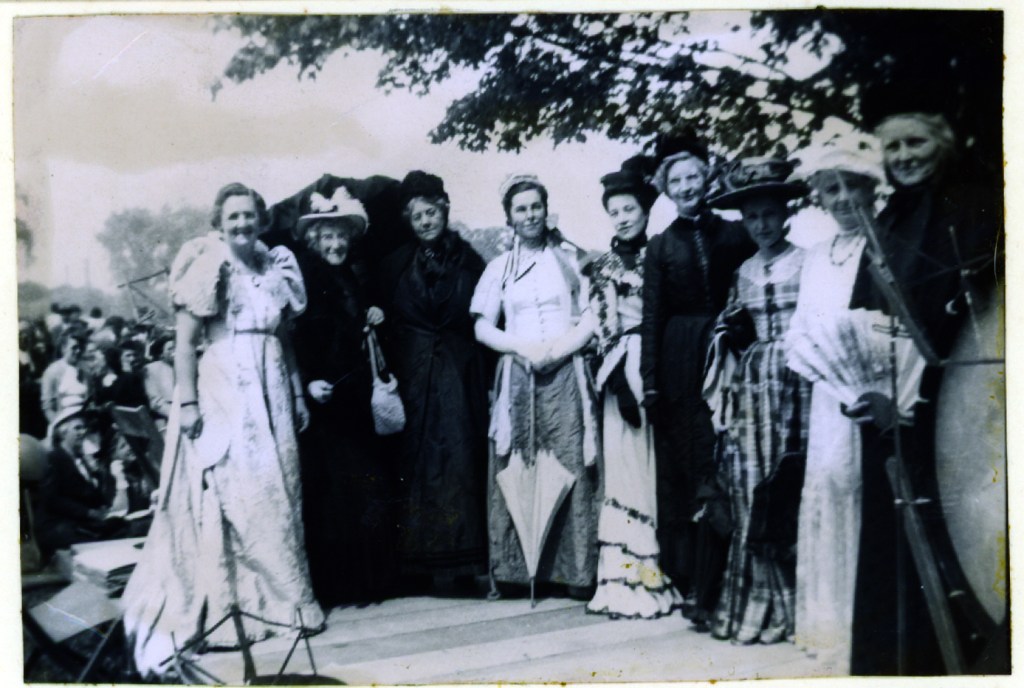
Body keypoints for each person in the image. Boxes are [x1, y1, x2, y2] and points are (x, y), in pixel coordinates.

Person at [122, 183, 323, 680]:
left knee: (282, 489)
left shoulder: (274, 264)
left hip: (272, 383)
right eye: (232, 217)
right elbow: (186, 344)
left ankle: (284, 600)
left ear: (261, 219)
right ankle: (248, 606)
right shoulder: (206, 263)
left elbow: (285, 338)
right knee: (242, 493)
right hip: (226, 386)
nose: (242, 225)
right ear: (219, 221)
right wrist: (187, 402)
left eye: (249, 216)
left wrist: (296, 393)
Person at [843, 76, 1003, 675]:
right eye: (893, 147)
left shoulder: (981, 206)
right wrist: (864, 391)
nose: (904, 157)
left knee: (968, 549)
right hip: (893, 421)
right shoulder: (882, 223)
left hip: (967, 413)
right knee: (897, 555)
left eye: (916, 142)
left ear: (944, 141)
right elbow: (863, 327)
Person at [640, 130, 755, 626]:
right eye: (676, 179)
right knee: (687, 469)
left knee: (725, 461)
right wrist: (650, 380)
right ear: (666, 187)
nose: (687, 186)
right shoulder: (660, 246)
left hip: (729, 352)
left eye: (693, 176)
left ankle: (730, 580)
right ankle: (692, 585)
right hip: (678, 362)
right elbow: (651, 316)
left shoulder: (735, 231)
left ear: (707, 177)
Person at [471, 174, 599, 598]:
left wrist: (561, 348)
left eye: (535, 207)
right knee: (518, 462)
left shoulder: (570, 259)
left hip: (565, 371)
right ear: (509, 216)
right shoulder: (498, 268)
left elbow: (594, 314)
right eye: (521, 209)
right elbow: (483, 326)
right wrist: (523, 348)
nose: (530, 215)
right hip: (519, 372)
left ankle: (576, 571)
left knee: (569, 460)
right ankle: (515, 569)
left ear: (547, 210)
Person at [701, 155, 810, 644]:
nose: (762, 225)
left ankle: (797, 606)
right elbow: (727, 329)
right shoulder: (743, 271)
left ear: (785, 213)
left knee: (788, 487)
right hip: (752, 387)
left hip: (799, 381)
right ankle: (759, 602)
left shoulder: (807, 261)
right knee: (750, 490)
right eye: (752, 217)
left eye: (769, 214)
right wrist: (730, 335)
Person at [784, 146, 884, 672]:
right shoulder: (817, 254)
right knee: (828, 481)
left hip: (877, 396)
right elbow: (801, 327)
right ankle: (828, 620)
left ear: (872, 188)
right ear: (818, 197)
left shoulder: (886, 242)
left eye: (852, 185)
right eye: (830, 189)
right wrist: (824, 371)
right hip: (828, 395)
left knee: (863, 489)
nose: (843, 198)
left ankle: (864, 622)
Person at [376, 171, 490, 590]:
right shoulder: (393, 266)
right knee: (415, 466)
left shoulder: (472, 261)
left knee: (460, 463)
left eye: (431, 212)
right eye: (416, 216)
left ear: (445, 208)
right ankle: (416, 568)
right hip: (413, 375)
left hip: (460, 375)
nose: (425, 222)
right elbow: (384, 323)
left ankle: (461, 566)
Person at [290, 186, 399, 607]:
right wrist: (308, 381)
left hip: (354, 395)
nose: (335, 244)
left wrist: (373, 316)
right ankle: (341, 586)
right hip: (324, 398)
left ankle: (370, 581)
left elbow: (355, 328)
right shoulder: (305, 278)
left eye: (340, 237)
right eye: (327, 238)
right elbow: (295, 336)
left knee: (361, 485)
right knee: (335, 492)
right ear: (315, 241)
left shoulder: (350, 276)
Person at [584, 159, 683, 619]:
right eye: (615, 211)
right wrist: (621, 386)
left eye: (630, 209)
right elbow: (604, 331)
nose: (622, 217)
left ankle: (660, 570)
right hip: (623, 370)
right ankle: (627, 576)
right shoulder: (602, 266)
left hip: (659, 364)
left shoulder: (661, 252)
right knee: (627, 472)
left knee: (657, 469)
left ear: (646, 210)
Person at [39, 331, 88, 422]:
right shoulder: (52, 371)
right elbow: (47, 407)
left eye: (81, 347)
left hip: (84, 419)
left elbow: (89, 400)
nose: (78, 351)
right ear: (63, 348)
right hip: (62, 421)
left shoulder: (85, 370)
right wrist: (59, 425)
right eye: (74, 348)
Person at [143, 335, 176, 423]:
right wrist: (175, 414)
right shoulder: (152, 369)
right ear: (161, 354)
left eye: (176, 347)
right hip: (165, 416)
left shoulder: (184, 366)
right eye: (170, 349)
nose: (175, 351)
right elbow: (155, 401)